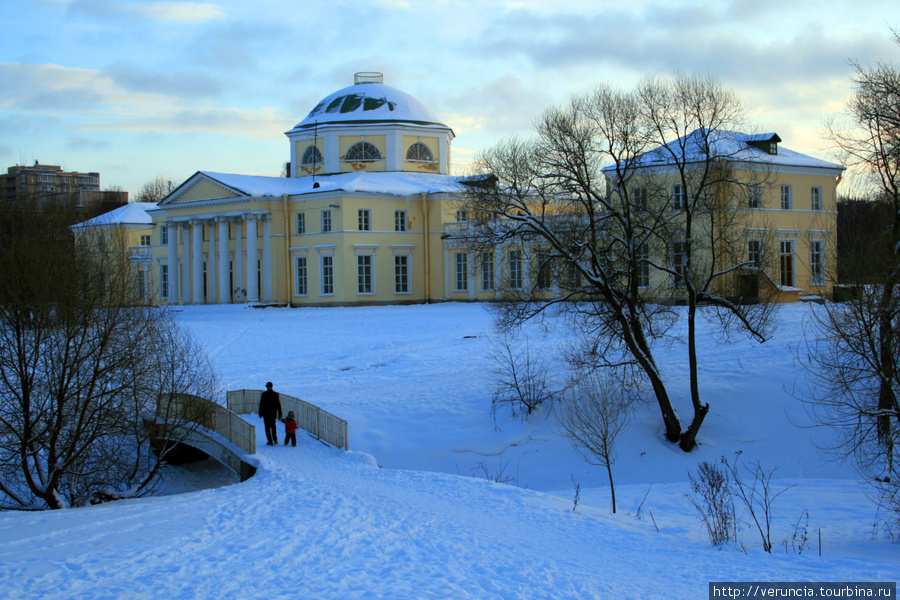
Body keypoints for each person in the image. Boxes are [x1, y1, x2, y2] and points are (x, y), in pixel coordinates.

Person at [258, 382, 282, 446]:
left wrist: (260, 413)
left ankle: (270, 441)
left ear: (266, 387)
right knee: (273, 426)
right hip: (273, 414)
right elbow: (278, 405)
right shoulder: (276, 394)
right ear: (272, 386)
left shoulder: (264, 394)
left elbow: (261, 404)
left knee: (267, 427)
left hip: (266, 414)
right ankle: (275, 439)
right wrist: (280, 414)